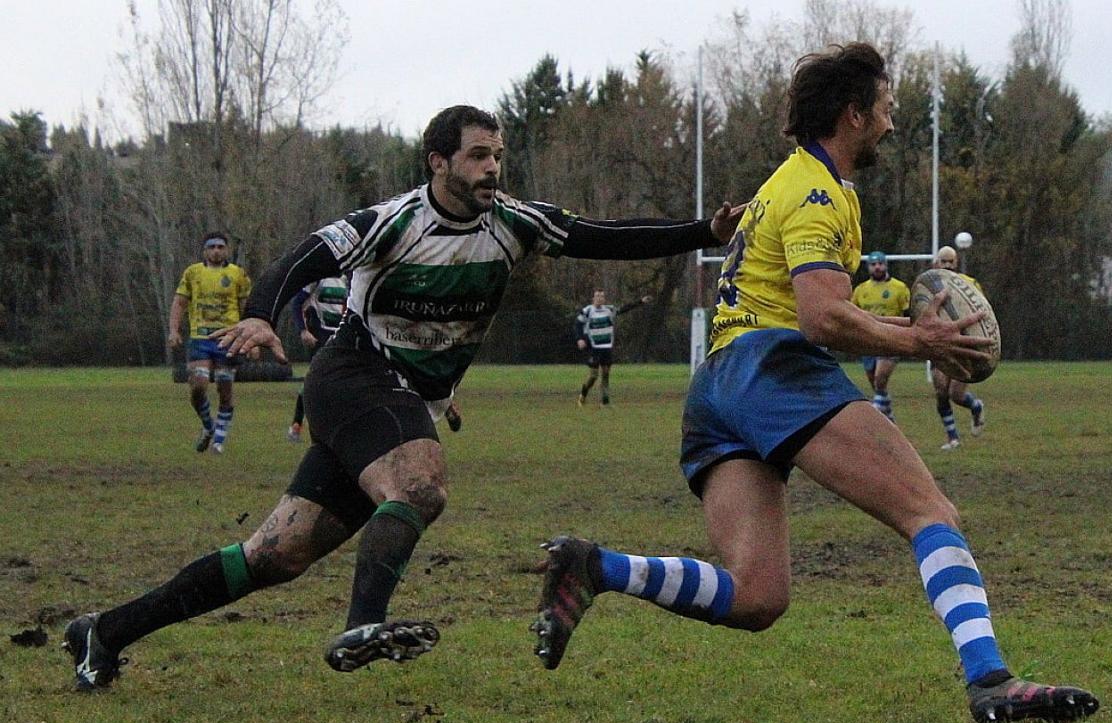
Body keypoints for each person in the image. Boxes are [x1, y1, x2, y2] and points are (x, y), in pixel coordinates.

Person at [62, 104, 743, 691]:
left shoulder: (514, 223)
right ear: (437, 161)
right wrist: (265, 311)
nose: (491, 170)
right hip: (354, 375)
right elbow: (301, 258)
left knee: (276, 555)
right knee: (420, 482)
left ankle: (106, 632)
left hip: (391, 402)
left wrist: (701, 234)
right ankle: (362, 627)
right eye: (477, 156)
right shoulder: (392, 224)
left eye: (498, 157)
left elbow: (605, 236)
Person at [532, 44, 1099, 723]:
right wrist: (920, 341)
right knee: (932, 513)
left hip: (716, 386)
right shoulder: (817, 194)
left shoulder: (789, 181)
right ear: (854, 115)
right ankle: (991, 680)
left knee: (757, 596)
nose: (892, 123)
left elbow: (813, 293)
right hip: (773, 369)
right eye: (886, 109)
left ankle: (595, 567)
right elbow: (821, 316)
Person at [166, 232, 252, 455]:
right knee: (198, 387)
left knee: (225, 389)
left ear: (227, 250)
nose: (216, 251)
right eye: (212, 247)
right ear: (204, 251)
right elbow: (179, 302)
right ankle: (208, 426)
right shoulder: (193, 273)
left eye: (220, 247)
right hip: (201, 338)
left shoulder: (237, 274)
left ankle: (218, 442)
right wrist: (174, 330)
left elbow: (247, 308)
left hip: (228, 338)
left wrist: (251, 341)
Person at [929, 245, 987, 449]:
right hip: (939, 344)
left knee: (956, 394)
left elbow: (982, 312)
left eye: (950, 262)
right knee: (940, 390)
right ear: (936, 263)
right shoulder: (928, 285)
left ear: (956, 263)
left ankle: (976, 406)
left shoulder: (969, 284)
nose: (947, 265)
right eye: (943, 261)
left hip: (963, 343)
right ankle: (953, 438)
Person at [287, 276, 348, 443]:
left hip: (338, 337)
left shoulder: (344, 278)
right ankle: (299, 424)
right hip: (318, 336)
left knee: (330, 381)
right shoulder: (317, 278)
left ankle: (304, 425)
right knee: (319, 381)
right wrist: (303, 331)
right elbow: (297, 303)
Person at [850, 250, 909, 420]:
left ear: (886, 265)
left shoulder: (899, 288)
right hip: (868, 340)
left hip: (891, 339)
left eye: (880, 263)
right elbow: (854, 313)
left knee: (880, 378)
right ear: (868, 267)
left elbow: (908, 314)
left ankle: (875, 411)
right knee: (877, 384)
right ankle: (889, 416)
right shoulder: (861, 289)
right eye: (873, 264)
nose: (877, 267)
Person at [575, 290, 652, 406]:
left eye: (602, 296)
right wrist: (580, 339)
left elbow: (625, 309)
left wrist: (640, 302)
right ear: (593, 298)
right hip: (594, 348)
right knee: (593, 376)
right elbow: (577, 324)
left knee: (606, 374)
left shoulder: (609, 310)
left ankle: (605, 402)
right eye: (597, 296)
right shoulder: (587, 311)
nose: (600, 298)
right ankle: (583, 395)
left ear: (604, 299)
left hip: (607, 347)